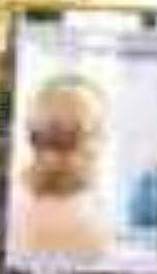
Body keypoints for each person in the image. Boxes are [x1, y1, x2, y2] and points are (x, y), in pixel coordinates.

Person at [12, 74, 113, 259]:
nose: (61, 149)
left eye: (75, 135)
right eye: (53, 135)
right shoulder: (8, 206)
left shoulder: (97, 213)